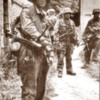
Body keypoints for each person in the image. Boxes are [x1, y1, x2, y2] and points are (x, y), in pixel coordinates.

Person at [17, 0, 51, 100]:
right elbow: (28, 27)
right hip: (29, 50)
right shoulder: (27, 11)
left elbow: (47, 33)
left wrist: (50, 49)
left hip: (42, 51)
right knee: (29, 88)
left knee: (41, 87)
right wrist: (41, 38)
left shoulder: (44, 14)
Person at [53, 7, 77, 77]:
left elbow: (75, 31)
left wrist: (76, 39)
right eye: (66, 14)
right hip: (61, 41)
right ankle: (60, 71)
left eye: (69, 14)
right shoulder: (59, 22)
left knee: (69, 57)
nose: (68, 15)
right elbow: (55, 31)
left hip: (69, 42)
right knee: (60, 56)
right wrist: (56, 40)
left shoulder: (72, 22)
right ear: (63, 15)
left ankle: (69, 70)